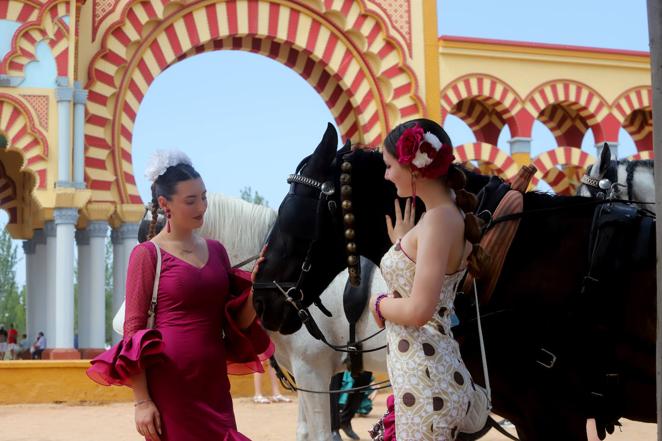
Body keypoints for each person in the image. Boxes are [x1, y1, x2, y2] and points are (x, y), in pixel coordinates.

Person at [86, 150, 274, 441]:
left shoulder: (217, 251)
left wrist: (257, 288)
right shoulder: (147, 254)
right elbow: (132, 333)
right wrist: (142, 401)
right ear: (165, 204)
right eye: (191, 200)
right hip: (170, 387)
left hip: (213, 384)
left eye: (204, 197)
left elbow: (236, 322)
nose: (202, 206)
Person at [368, 119, 486, 440]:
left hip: (426, 383)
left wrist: (378, 304)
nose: (387, 175)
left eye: (389, 166)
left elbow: (420, 310)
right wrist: (406, 243)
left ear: (415, 168)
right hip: (428, 380)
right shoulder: (444, 217)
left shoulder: (438, 220)